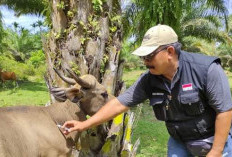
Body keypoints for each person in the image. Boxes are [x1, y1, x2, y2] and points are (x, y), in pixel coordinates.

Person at [62, 24, 232, 156]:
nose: (145, 61)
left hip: (213, 138)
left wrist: (216, 151)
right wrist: (84, 124)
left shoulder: (206, 69)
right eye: (143, 57)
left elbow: (224, 111)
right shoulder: (149, 79)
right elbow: (119, 104)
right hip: (179, 140)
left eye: (149, 56)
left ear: (170, 52)